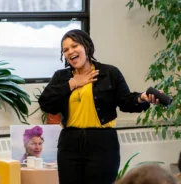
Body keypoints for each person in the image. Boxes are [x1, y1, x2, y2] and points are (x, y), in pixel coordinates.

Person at [38, 29, 160, 184]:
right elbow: (45, 102)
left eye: (74, 46)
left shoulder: (109, 73)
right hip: (69, 142)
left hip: (102, 142)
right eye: (65, 50)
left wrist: (142, 98)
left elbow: (126, 101)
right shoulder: (61, 77)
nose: (70, 52)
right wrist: (74, 83)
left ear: (86, 46)